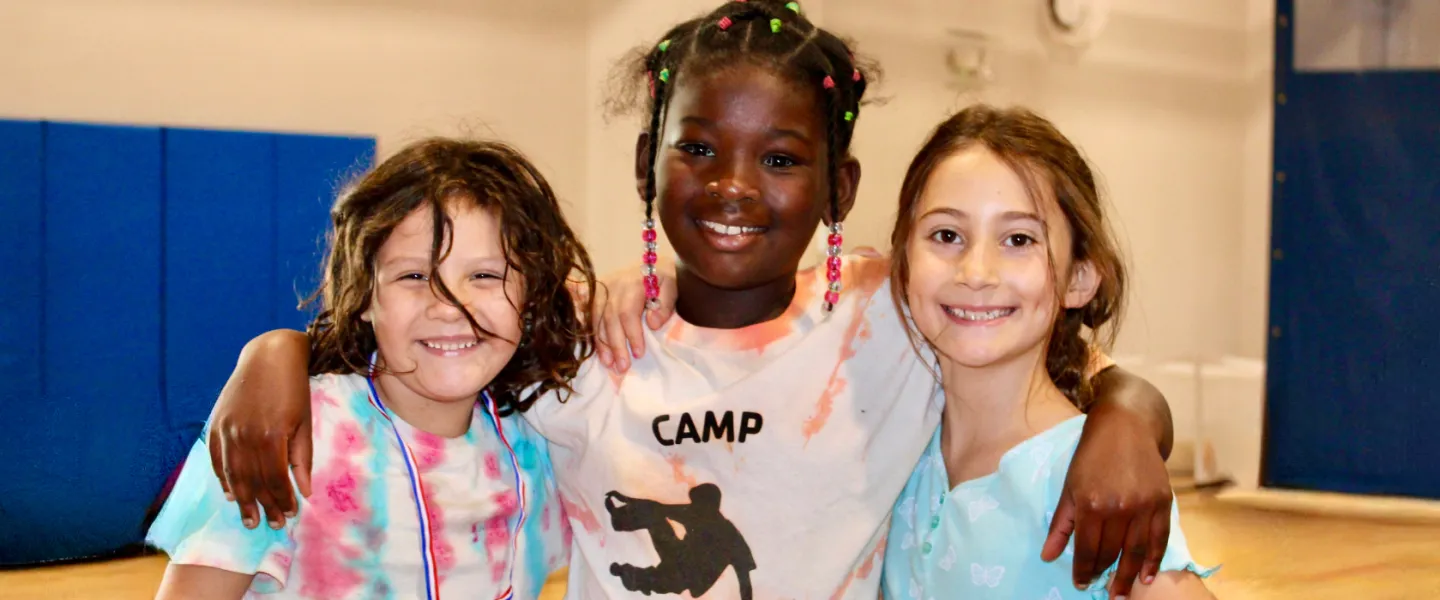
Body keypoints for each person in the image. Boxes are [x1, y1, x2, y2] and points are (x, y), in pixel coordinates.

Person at [204, 2, 1177, 598]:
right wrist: (276, 355)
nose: (734, 187)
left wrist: (1130, 413)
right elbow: (424, 346)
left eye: (784, 159)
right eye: (699, 149)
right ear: (647, 165)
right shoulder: (579, 335)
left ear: (840, 188)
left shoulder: (889, 315)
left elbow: (1049, 357)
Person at [147, 139, 585, 599]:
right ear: (361, 296)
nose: (450, 306)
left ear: (530, 295)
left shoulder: (538, 443)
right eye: (413, 276)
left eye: (485, 275)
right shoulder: (290, 436)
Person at [880, 105, 1216, 599]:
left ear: (1078, 277)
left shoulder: (1090, 481)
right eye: (946, 235)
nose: (976, 272)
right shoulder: (899, 451)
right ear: (904, 258)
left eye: (1018, 239)